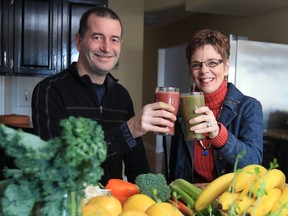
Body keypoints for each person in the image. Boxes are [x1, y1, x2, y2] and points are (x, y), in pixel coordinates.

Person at [31, 7, 176, 185]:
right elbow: (56, 164)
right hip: (69, 204)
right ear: (79, 41)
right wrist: (128, 130)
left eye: (114, 39)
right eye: (97, 37)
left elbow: (137, 166)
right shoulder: (49, 90)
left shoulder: (122, 96)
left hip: (112, 205)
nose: (107, 48)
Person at [168, 29, 263, 183]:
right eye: (196, 65)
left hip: (230, 200)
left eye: (212, 62)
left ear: (226, 66)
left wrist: (219, 135)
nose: (204, 71)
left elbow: (255, 164)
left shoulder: (249, 107)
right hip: (187, 198)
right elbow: (175, 165)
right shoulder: (181, 107)